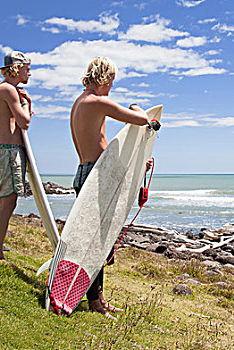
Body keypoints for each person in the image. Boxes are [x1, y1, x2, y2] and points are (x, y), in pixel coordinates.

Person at [70, 56, 152, 319]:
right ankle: (94, 303)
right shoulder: (98, 101)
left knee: (99, 241)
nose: (113, 85)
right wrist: (137, 107)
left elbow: (101, 144)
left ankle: (99, 299)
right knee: (95, 243)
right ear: (104, 77)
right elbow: (141, 120)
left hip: (85, 171)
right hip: (96, 176)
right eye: (112, 79)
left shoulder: (79, 103)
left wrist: (138, 163)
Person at [0, 51, 32, 260]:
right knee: (7, 203)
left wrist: (25, 103)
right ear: (17, 67)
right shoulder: (8, 90)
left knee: (8, 202)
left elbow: (21, 124)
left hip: (7, 151)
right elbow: (24, 122)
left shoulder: (6, 89)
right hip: (8, 153)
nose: (29, 73)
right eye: (27, 68)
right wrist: (26, 102)